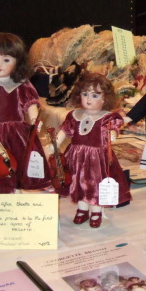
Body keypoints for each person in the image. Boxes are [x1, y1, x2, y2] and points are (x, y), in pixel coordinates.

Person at [0, 32, 51, 194]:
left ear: (17, 63)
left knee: (19, 159)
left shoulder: (21, 84)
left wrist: (34, 118)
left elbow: (30, 103)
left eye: (6, 60)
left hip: (16, 133)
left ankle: (17, 188)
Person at [48, 72, 131, 228]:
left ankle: (96, 211)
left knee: (95, 184)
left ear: (105, 98)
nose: (88, 99)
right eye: (85, 94)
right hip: (76, 157)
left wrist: (112, 134)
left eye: (94, 95)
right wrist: (55, 144)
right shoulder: (74, 115)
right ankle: (82, 209)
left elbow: (112, 130)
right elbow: (65, 131)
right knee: (78, 183)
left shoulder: (108, 117)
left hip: (97, 159)